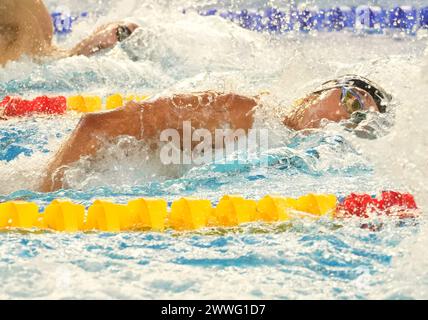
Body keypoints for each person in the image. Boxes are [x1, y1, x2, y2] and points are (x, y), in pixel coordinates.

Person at [39, 75, 391, 192]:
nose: (347, 116)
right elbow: (98, 125)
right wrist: (42, 199)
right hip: (85, 189)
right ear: (315, 93)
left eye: (360, 121)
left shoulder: (291, 155)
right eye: (351, 98)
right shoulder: (242, 112)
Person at [0, 0, 139, 66]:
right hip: (35, 21)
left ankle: (81, 50)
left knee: (46, 56)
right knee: (50, 55)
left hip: (22, 30)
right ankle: (86, 47)